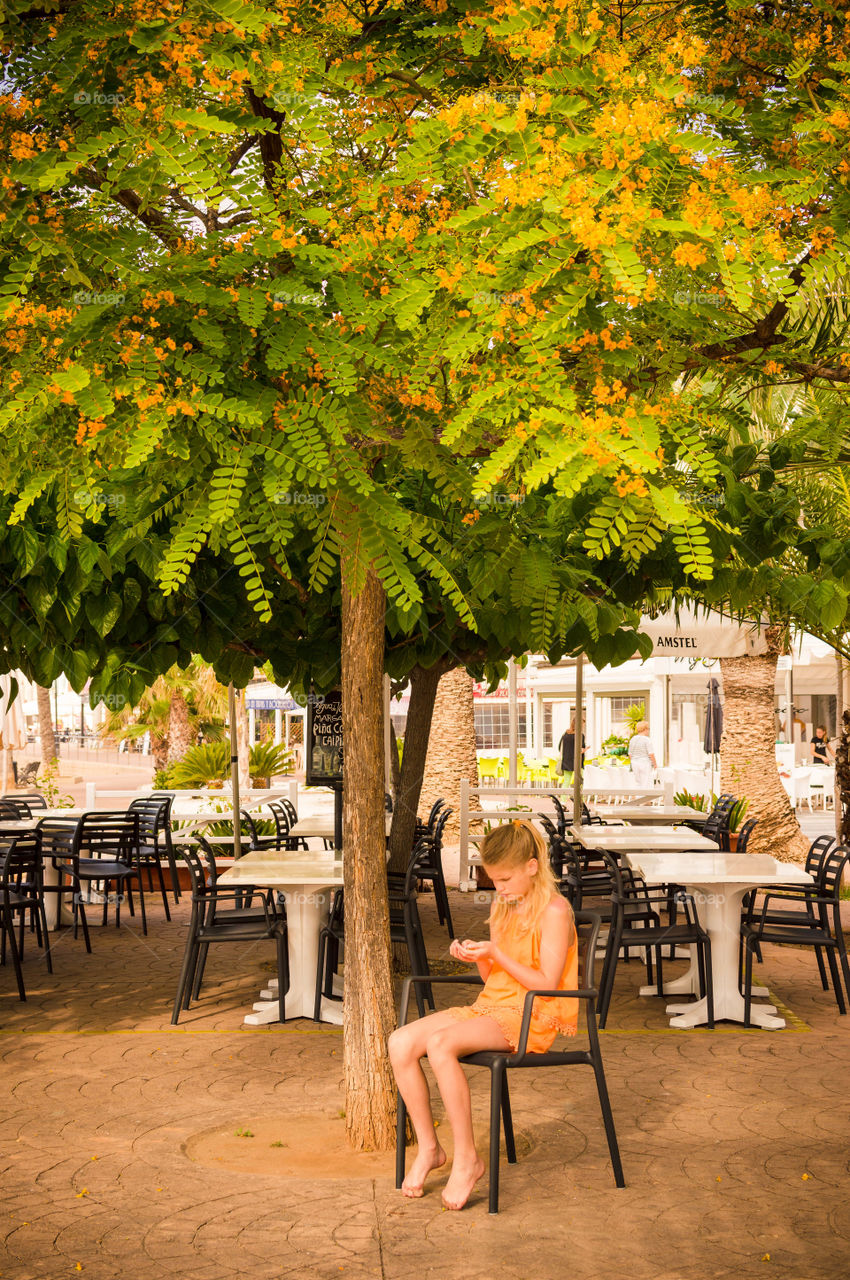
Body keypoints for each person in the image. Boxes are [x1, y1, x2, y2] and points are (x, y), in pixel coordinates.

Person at [388, 820, 577, 1211]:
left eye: (505, 878)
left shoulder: (555, 910)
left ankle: (468, 1159)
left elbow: (548, 981)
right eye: (493, 880)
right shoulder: (503, 904)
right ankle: (429, 1149)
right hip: (494, 1005)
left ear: (532, 865)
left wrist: (496, 952)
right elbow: (494, 978)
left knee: (441, 1045)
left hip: (532, 1014)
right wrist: (477, 956)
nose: (500, 887)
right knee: (400, 1042)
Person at [627, 720, 657, 786]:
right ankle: (644, 796)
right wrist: (655, 765)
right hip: (645, 763)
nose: (649, 731)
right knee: (646, 783)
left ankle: (638, 796)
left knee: (637, 783)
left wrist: (634, 760)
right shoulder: (647, 740)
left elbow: (630, 754)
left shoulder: (633, 739)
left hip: (634, 763)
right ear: (645, 729)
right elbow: (651, 754)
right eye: (648, 729)